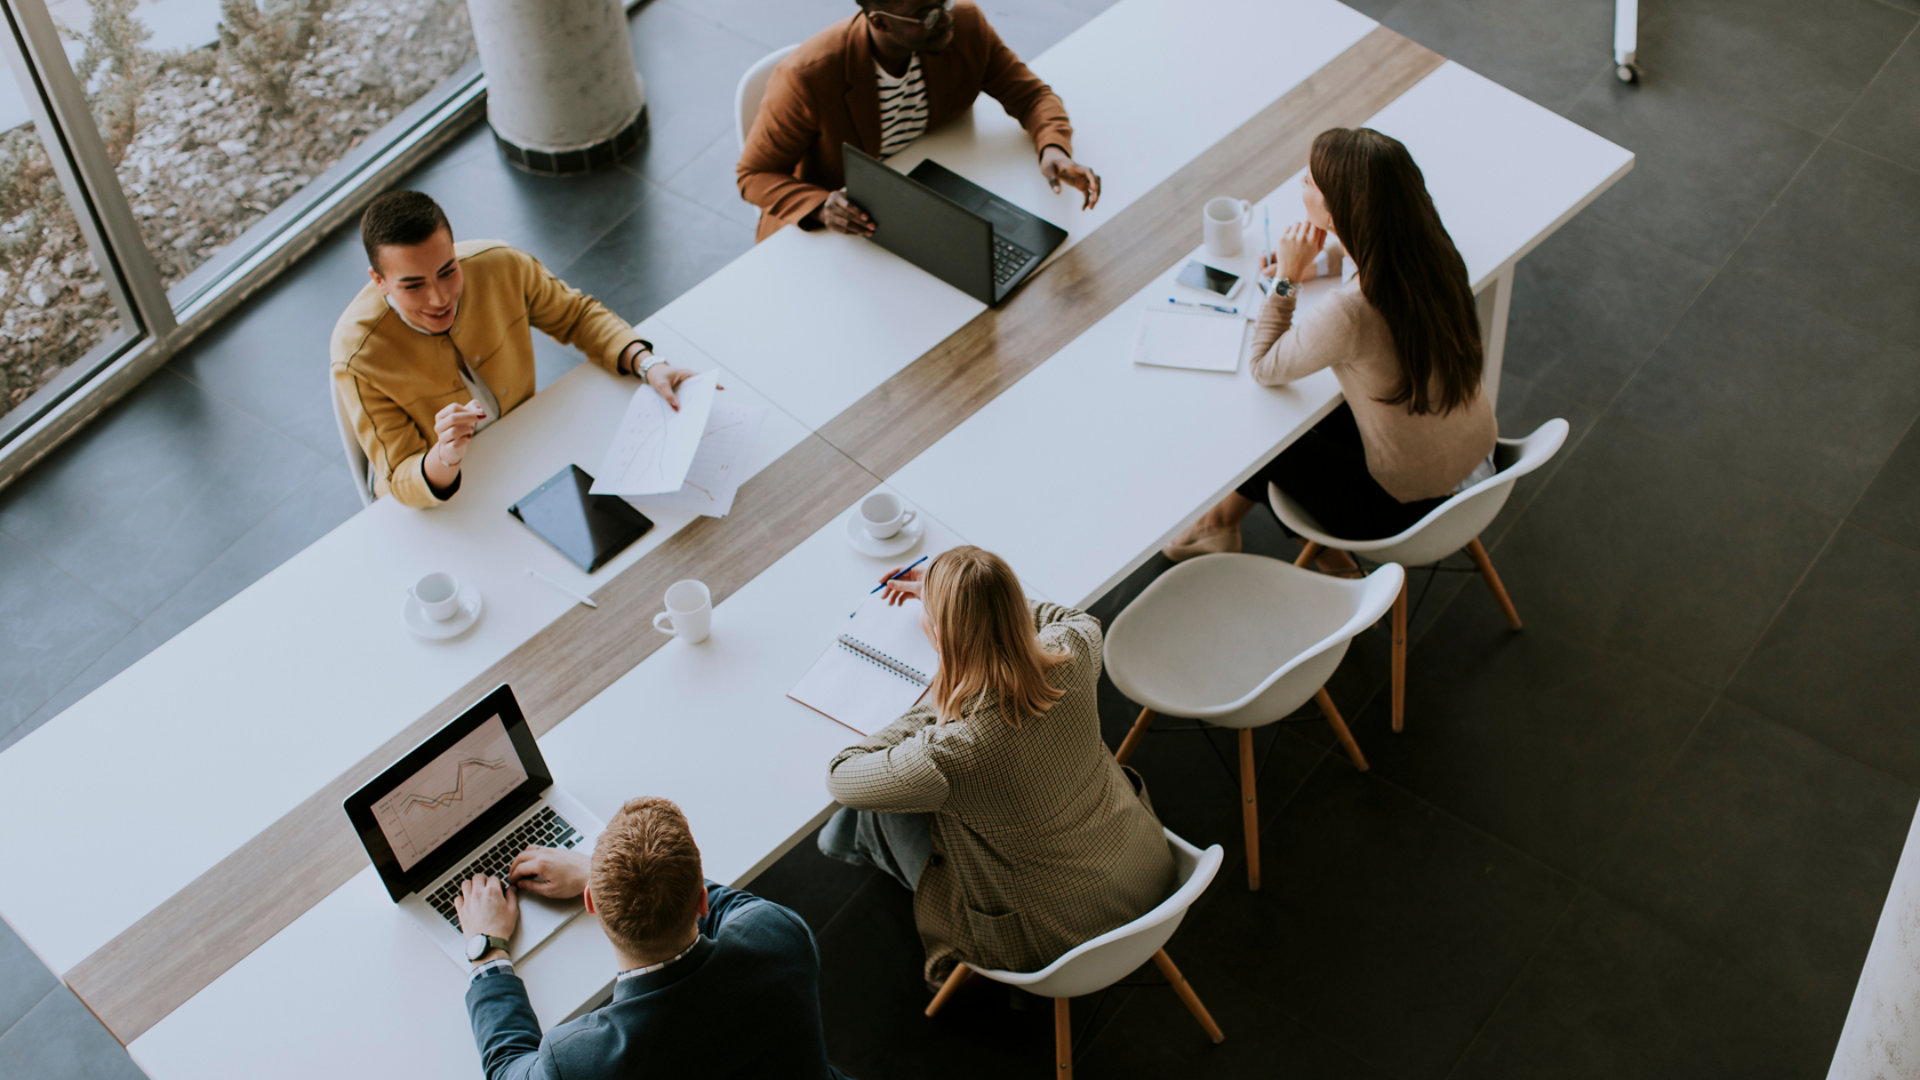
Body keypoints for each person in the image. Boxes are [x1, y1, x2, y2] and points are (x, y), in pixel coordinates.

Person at [820, 546, 1173, 987]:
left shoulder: (950, 752)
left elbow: (842, 775)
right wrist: (976, 599)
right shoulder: (1077, 647)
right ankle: (842, 841)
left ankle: (843, 847)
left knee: (872, 812)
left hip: (1054, 938)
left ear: (944, 638)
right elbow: (1061, 618)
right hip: (1144, 868)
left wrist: (938, 700)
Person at [1163, 127, 1498, 564]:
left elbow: (1264, 365)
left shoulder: (1351, 311)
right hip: (1479, 467)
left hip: (1398, 512)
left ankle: (1332, 563)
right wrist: (1317, 262)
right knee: (1307, 413)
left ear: (1338, 211)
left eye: (1310, 181)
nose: (1302, 181)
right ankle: (1220, 522)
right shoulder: (1435, 252)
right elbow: (1368, 243)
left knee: (1265, 436)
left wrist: (1287, 275)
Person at [331, 190, 698, 508]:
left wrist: (647, 363)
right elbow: (399, 474)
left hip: (529, 453)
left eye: (448, 271)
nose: (439, 297)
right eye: (413, 286)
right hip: (448, 494)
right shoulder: (356, 353)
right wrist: (444, 456)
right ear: (378, 281)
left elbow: (576, 316)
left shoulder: (500, 264)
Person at [452, 796, 854, 1080]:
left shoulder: (578, 1061)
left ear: (591, 902)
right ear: (701, 900)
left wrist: (487, 952)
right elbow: (719, 900)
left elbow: (507, 1070)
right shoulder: (779, 937)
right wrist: (596, 871)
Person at [736, 0, 1100, 242]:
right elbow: (754, 175)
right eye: (927, 14)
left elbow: (1032, 96)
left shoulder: (965, 26)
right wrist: (821, 205)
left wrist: (1053, 147)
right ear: (879, 22)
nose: (945, 19)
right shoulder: (808, 77)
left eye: (944, 1)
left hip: (928, 195)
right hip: (842, 225)